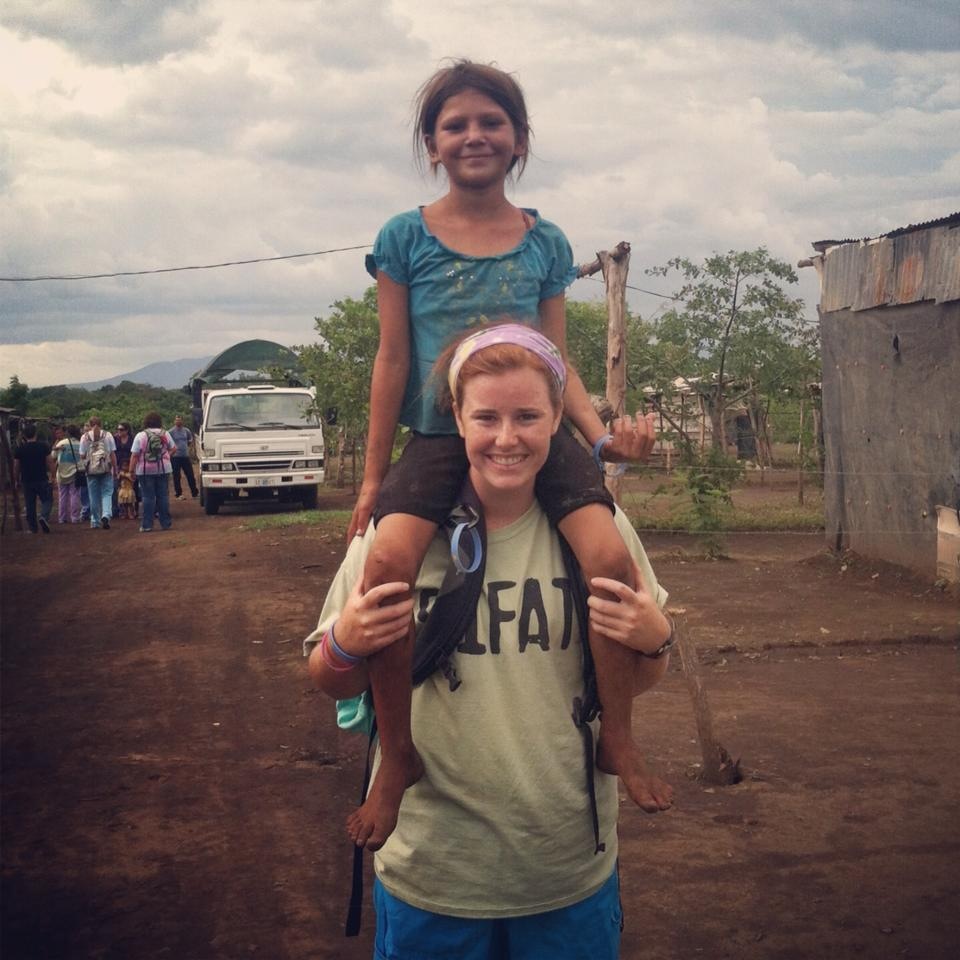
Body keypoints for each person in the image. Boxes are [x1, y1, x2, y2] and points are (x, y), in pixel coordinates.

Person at [347, 59, 667, 851]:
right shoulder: (403, 238)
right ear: (431, 144)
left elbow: (557, 363)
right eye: (454, 125)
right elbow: (393, 358)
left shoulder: (543, 241)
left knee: (610, 560)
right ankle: (397, 755)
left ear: (520, 139)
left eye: (491, 122)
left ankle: (618, 735)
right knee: (384, 566)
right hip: (439, 435)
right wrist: (372, 477)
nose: (474, 136)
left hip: (533, 430)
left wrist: (597, 438)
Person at [306, 328, 673, 958]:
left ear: (557, 418)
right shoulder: (394, 539)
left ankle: (621, 744)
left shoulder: (600, 532)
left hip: (566, 869)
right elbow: (330, 679)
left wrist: (656, 641)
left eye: (527, 417)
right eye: (486, 418)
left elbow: (642, 674)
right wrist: (346, 641)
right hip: (433, 872)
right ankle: (398, 763)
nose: (507, 439)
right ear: (457, 419)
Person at [129, 412, 176, 532]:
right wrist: (166, 456)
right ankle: (165, 523)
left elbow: (135, 455)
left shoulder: (141, 435)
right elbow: (174, 448)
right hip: (163, 468)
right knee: (163, 496)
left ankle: (147, 525)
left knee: (147, 497)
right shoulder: (165, 433)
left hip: (145, 470)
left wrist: (131, 470)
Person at [13, 422, 56, 534]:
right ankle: (43, 516)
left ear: (24, 435)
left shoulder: (20, 449)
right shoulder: (43, 446)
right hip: (42, 478)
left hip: (27, 480)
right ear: (36, 434)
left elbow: (16, 467)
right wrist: (53, 476)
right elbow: (50, 462)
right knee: (47, 500)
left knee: (30, 504)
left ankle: (33, 528)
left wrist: (16, 480)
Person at [79, 416, 118, 530]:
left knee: (93, 495)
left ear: (90, 425)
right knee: (107, 493)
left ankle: (95, 521)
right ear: (101, 424)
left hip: (91, 470)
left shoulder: (84, 437)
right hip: (106, 468)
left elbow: (82, 455)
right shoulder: (108, 435)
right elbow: (112, 454)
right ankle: (106, 515)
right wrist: (115, 469)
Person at [53, 424, 83, 524]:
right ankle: (75, 517)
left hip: (61, 472)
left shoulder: (61, 443)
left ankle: (62, 518)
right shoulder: (80, 444)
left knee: (62, 496)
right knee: (75, 495)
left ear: (67, 433)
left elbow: (53, 455)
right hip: (74, 472)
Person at [168, 414, 198, 500]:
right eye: (177, 420)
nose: (178, 421)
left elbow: (190, 440)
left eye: (180, 420)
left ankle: (194, 493)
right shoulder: (171, 432)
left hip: (185, 456)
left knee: (190, 475)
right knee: (176, 476)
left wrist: (186, 448)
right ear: (174, 421)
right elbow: (168, 443)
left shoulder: (186, 431)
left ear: (182, 421)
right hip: (175, 457)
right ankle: (179, 494)